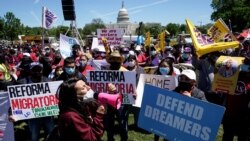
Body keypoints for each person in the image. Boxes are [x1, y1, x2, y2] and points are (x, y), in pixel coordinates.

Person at [17, 62, 55, 141]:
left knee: (51, 132)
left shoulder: (48, 81)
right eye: (34, 70)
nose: (37, 72)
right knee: (34, 135)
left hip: (47, 113)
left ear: (42, 70)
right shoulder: (22, 83)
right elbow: (16, 99)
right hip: (32, 115)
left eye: (39, 70)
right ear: (30, 71)